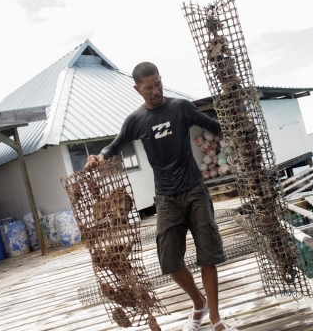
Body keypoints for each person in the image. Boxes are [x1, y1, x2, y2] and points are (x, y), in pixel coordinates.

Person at [85, 62, 238, 331]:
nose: (156, 91)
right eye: (149, 88)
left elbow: (213, 125)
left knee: (208, 255)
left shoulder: (181, 107)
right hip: (166, 198)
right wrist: (100, 156)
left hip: (194, 191)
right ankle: (198, 303)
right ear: (137, 89)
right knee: (169, 261)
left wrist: (238, 129)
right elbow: (116, 145)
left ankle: (215, 319)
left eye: (158, 84)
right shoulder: (136, 120)